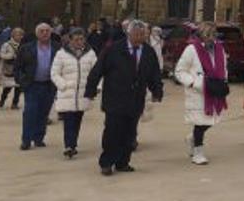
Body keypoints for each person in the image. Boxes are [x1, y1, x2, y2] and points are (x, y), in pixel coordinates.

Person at [84, 20, 163, 176]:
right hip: (115, 97)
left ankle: (123, 162)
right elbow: (97, 70)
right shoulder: (113, 49)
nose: (140, 38)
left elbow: (154, 74)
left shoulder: (148, 52)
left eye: (143, 35)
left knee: (129, 133)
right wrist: (90, 90)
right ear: (129, 33)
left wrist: (157, 91)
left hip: (136, 98)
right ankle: (106, 162)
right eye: (137, 34)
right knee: (113, 132)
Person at [175, 21, 228, 165]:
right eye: (208, 35)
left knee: (211, 121)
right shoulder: (191, 49)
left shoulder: (219, 49)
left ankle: (192, 138)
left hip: (215, 90)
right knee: (200, 122)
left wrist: (224, 81)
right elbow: (180, 71)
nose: (211, 38)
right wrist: (193, 82)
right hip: (198, 91)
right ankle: (198, 152)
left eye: (213, 34)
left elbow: (224, 66)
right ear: (201, 35)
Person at [51, 28, 97, 159]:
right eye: (76, 39)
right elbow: (54, 73)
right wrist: (63, 85)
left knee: (77, 119)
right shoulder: (61, 54)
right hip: (67, 92)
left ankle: (73, 144)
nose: (79, 42)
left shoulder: (91, 54)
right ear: (70, 40)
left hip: (83, 92)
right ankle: (69, 146)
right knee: (69, 120)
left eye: (81, 39)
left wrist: (95, 87)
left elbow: (96, 72)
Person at [14, 23, 59, 150]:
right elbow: (18, 67)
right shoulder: (26, 48)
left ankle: (39, 138)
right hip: (32, 85)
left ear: (51, 33)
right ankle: (26, 140)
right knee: (30, 112)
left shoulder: (57, 48)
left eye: (47, 31)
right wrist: (22, 82)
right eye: (41, 31)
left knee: (43, 113)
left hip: (49, 85)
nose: (45, 33)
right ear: (37, 33)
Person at [0, 27, 24, 109]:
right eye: (17, 35)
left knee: (18, 88)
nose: (19, 36)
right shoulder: (6, 44)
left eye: (20, 35)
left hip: (19, 69)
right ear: (13, 35)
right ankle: (2, 100)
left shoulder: (23, 45)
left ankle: (14, 104)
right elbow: (1, 55)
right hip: (9, 68)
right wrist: (11, 56)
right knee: (8, 88)